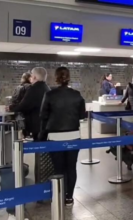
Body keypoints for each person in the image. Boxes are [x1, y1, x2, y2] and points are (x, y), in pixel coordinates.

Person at [39, 67, 86, 206]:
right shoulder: (77, 95)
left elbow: (43, 116)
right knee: (71, 167)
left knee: (59, 168)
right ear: (68, 77)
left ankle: (59, 195)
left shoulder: (49, 95)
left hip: (55, 137)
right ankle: (69, 197)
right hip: (74, 135)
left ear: (56, 78)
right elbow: (82, 115)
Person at [8, 67, 50, 141]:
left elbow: (24, 105)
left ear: (34, 77)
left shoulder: (33, 89)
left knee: (38, 146)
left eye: (31, 75)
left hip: (36, 124)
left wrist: (11, 108)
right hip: (45, 124)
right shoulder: (47, 88)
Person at [10, 72, 31, 137]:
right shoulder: (30, 87)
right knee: (27, 134)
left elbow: (13, 100)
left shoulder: (17, 87)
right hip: (26, 113)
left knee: (20, 132)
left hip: (17, 113)